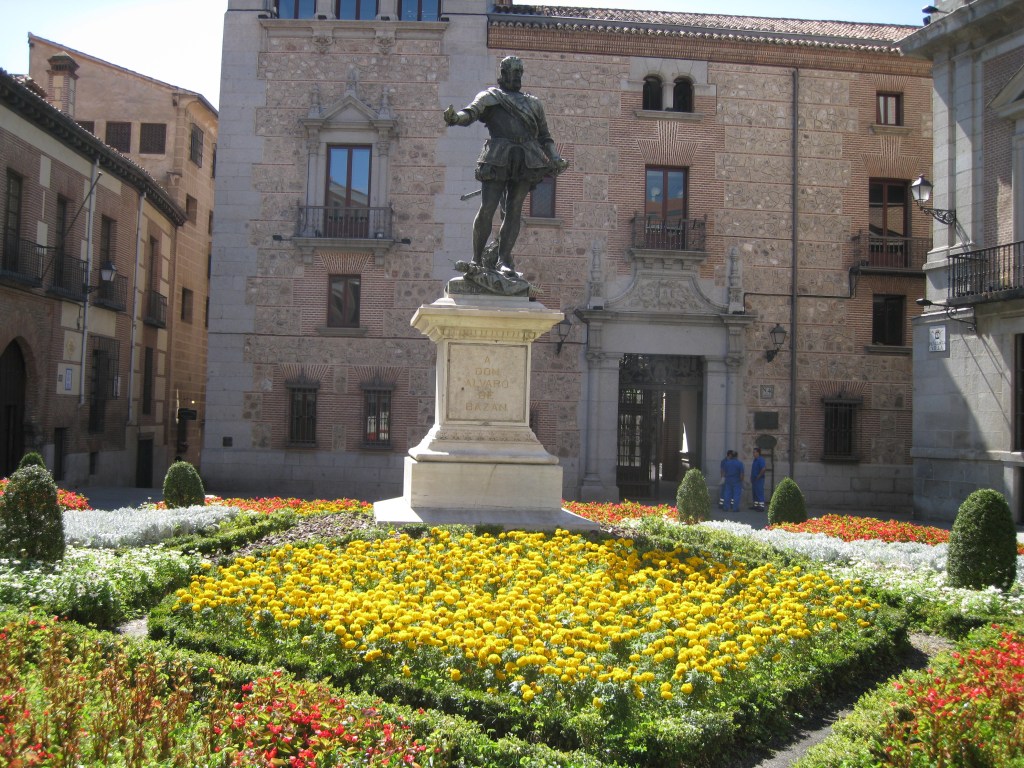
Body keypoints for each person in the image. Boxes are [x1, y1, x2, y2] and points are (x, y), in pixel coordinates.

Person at [444, 56, 568, 275]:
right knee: (488, 208)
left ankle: (504, 260)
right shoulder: (490, 97)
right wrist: (455, 118)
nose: (517, 75)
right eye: (513, 71)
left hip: (526, 159)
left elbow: (545, 136)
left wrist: (555, 157)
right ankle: (476, 260)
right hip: (497, 157)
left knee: (514, 209)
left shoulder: (534, 103)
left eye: (520, 71)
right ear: (503, 73)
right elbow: (470, 113)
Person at [750, 447, 767, 511]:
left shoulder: (760, 460)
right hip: (754, 479)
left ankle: (761, 507)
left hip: (759, 479)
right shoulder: (755, 460)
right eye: (753, 452)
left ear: (758, 453)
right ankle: (756, 505)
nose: (753, 453)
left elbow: (763, 469)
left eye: (754, 452)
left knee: (759, 493)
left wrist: (759, 476)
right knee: (755, 493)